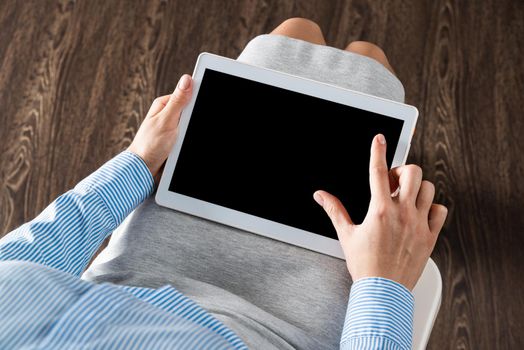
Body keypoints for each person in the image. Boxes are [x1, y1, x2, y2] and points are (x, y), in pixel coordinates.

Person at [0, 18, 447, 350]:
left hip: (140, 272)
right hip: (286, 328)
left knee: (294, 34)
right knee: (368, 59)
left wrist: (139, 163)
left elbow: (19, 263)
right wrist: (382, 282)